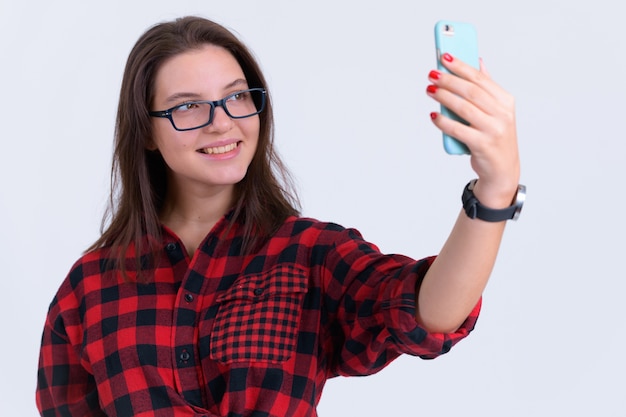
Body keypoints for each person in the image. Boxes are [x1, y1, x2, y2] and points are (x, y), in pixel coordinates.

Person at [35, 15, 523, 417]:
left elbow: (428, 313)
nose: (223, 122)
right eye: (188, 107)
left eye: (237, 96)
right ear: (145, 131)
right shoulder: (90, 288)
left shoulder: (310, 253)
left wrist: (494, 190)